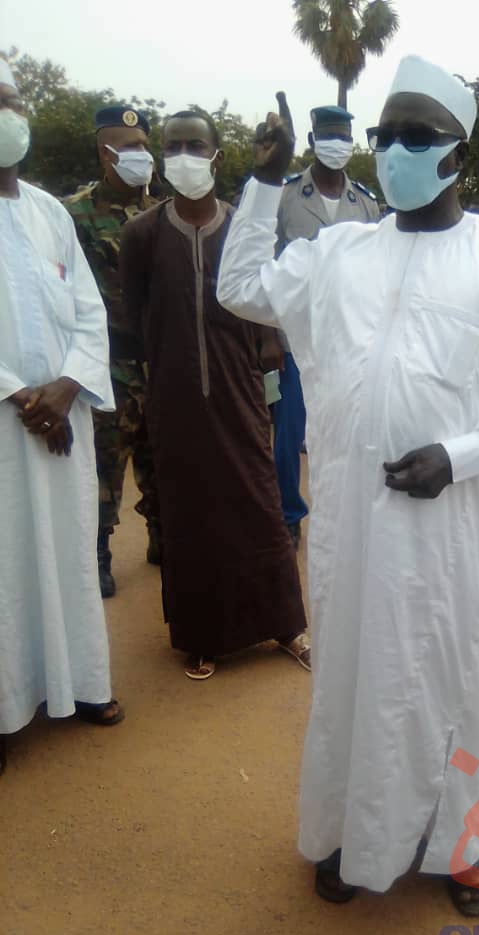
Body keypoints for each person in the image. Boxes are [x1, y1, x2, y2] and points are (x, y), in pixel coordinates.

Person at [216, 58, 479, 914]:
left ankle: (460, 845)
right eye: (387, 136)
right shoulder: (340, 250)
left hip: (455, 522)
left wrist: (461, 453)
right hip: (353, 513)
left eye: (418, 137)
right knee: (350, 674)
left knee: (449, 677)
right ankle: (349, 828)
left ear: (461, 155)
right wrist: (265, 183)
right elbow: (238, 290)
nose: (396, 152)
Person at [118, 109, 309, 680]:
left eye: (194, 145)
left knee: (258, 503)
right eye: (173, 145)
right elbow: (134, 316)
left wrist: (270, 340)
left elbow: (265, 294)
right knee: (189, 515)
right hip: (173, 398)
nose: (183, 155)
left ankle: (283, 624)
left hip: (239, 389)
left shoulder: (240, 228)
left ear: (216, 156)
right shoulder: (141, 235)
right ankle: (201, 635)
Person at [0, 60, 123, 775]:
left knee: (70, 554)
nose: (7, 113)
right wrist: (21, 393)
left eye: (11, 101)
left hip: (63, 418)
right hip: (8, 423)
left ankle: (80, 684)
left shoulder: (50, 211)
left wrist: (70, 384)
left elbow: (89, 310)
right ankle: (8, 704)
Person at [64, 106, 162, 598]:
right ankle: (99, 552)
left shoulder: (164, 209)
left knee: (163, 456)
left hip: (159, 360)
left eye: (144, 145)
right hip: (107, 364)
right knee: (106, 463)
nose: (140, 155)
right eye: (128, 146)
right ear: (105, 153)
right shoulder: (74, 214)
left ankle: (163, 538)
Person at [273, 104, 379, 548]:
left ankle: (349, 511)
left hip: (353, 340)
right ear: (313, 141)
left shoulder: (368, 204)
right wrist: (267, 337)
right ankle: (289, 514)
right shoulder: (285, 196)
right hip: (295, 338)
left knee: (351, 429)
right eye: (328, 135)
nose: (337, 144)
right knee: (289, 434)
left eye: (343, 136)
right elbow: (262, 266)